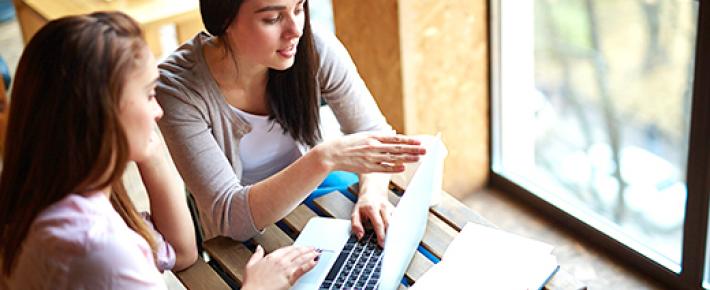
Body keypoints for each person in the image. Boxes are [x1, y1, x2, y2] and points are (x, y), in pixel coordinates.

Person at [0, 11, 318, 290]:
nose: (159, 112)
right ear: (103, 112)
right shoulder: (99, 247)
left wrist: (145, 147)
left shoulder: (45, 200)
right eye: (150, 94)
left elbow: (180, 252)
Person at [157, 0, 425, 248]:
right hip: (244, 237)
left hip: (316, 193)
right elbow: (230, 216)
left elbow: (373, 132)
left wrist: (372, 193)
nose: (296, 30)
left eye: (299, 8)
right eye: (273, 18)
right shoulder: (177, 89)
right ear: (224, 19)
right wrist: (323, 158)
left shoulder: (313, 45)